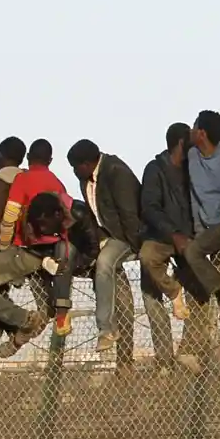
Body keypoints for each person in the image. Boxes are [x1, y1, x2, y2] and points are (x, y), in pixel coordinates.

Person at [0, 190, 75, 355]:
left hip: (26, 252)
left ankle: (20, 323)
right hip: (51, 256)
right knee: (47, 309)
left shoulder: (20, 182)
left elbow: (9, 218)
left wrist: (3, 246)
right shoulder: (60, 191)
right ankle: (16, 339)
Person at [138, 122, 213, 371]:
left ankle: (190, 350)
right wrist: (173, 234)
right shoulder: (155, 169)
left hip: (190, 239)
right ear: (182, 142)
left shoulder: (195, 168)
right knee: (147, 257)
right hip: (163, 237)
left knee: (202, 288)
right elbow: (149, 207)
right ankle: (173, 292)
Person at [67, 139, 142, 362]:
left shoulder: (116, 172)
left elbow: (129, 213)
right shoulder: (86, 180)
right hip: (107, 235)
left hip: (126, 236)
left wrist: (137, 245)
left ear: (88, 163)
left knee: (104, 263)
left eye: (75, 167)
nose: (73, 172)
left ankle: (105, 329)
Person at [185, 110, 220, 323]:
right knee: (194, 254)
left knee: (194, 252)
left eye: (194, 126)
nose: (190, 130)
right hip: (207, 228)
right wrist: (199, 230)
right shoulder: (192, 156)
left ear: (202, 133)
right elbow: (194, 197)